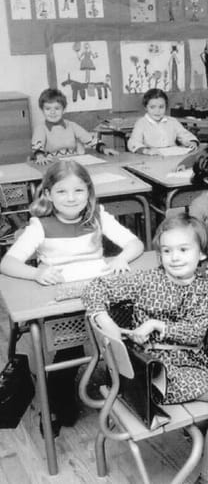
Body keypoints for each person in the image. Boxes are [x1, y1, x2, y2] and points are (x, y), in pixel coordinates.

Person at [82, 214, 208, 484]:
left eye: (183, 249)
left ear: (202, 254)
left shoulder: (204, 287)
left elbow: (195, 333)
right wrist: (102, 316)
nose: (174, 257)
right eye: (167, 251)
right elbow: (95, 287)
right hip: (154, 370)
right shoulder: (148, 280)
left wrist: (158, 324)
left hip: (189, 361)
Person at [0, 160, 144, 433]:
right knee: (70, 350)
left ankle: (126, 392)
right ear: (48, 194)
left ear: (89, 192)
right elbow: (7, 264)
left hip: (102, 296)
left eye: (79, 190)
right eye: (62, 191)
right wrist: (37, 272)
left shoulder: (98, 216)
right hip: (63, 302)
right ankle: (57, 403)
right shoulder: (40, 225)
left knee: (127, 337)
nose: (71, 198)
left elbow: (135, 244)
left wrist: (122, 258)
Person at [30, 88, 118, 164]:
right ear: (42, 110)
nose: (52, 112)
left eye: (57, 108)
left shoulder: (72, 125)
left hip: (73, 164)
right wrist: (39, 156)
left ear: (64, 110)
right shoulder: (40, 128)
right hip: (52, 165)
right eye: (48, 109)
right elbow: (37, 147)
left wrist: (104, 148)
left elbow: (89, 139)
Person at [127, 88, 199, 155]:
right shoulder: (141, 123)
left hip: (172, 156)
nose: (157, 111)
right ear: (146, 107)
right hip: (151, 157)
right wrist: (145, 151)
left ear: (166, 107)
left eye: (161, 107)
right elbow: (133, 142)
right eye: (152, 107)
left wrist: (192, 142)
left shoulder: (172, 121)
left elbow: (185, 135)